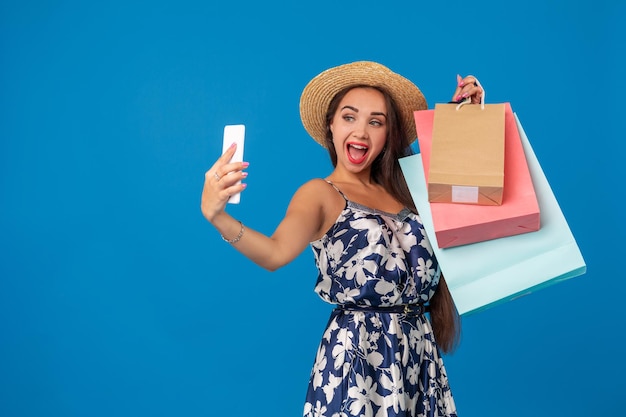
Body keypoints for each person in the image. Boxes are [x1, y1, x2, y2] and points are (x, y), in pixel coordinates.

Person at [201, 61, 484, 417]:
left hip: (418, 355)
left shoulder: (410, 192)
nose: (361, 132)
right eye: (349, 117)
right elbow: (275, 253)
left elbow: (471, 208)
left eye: (376, 122)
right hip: (358, 360)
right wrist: (218, 217)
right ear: (330, 126)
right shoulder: (321, 193)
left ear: (388, 134)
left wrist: (468, 120)